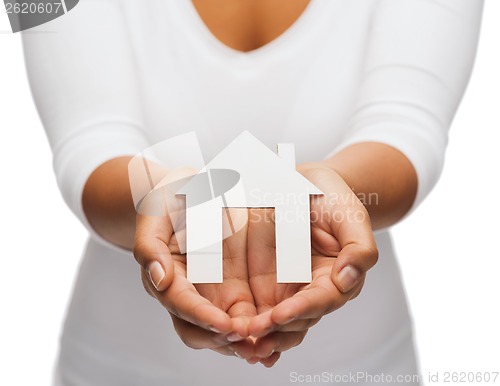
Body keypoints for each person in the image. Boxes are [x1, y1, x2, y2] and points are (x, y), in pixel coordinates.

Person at [22, 0, 484, 385]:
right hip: (119, 370)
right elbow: (84, 147)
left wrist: (315, 197)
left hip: (357, 370)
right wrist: (172, 204)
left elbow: (408, 127)